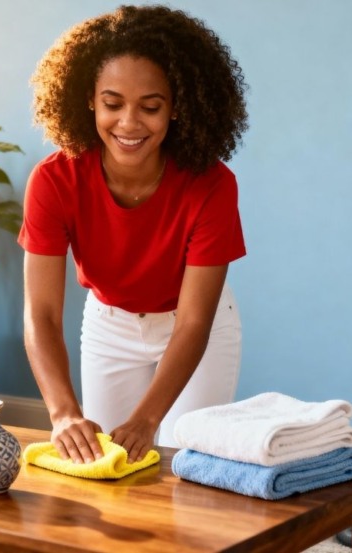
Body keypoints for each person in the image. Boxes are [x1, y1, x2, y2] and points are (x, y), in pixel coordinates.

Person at [19, 5, 249, 466]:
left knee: (186, 464)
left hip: (192, 327)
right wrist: (63, 413)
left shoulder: (211, 184)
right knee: (106, 467)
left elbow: (193, 324)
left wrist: (147, 421)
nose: (128, 123)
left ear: (178, 106)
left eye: (150, 106)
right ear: (88, 99)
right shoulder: (54, 180)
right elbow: (41, 313)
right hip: (109, 325)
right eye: (112, 103)